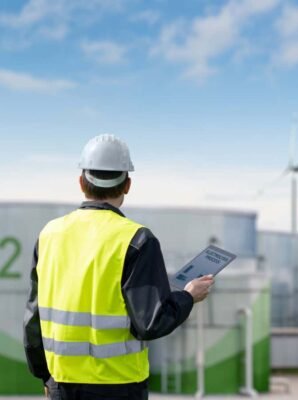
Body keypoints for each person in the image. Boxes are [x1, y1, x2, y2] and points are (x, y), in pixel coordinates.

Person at [23, 134, 214, 400]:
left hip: (61, 385)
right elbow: (152, 323)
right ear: (128, 185)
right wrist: (188, 296)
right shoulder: (137, 240)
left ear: (81, 182)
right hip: (119, 386)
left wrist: (45, 375)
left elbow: (33, 317)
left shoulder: (49, 234)